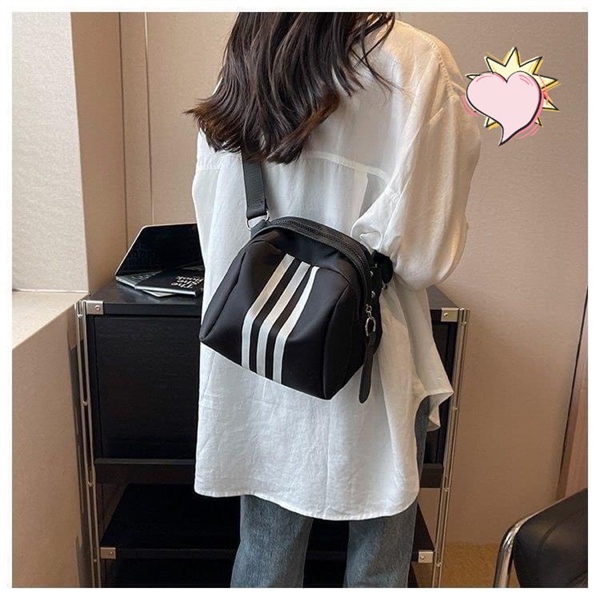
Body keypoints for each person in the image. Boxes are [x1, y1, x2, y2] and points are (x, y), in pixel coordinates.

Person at [185, 13, 481, 587]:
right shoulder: (417, 62)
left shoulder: (253, 49)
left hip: (262, 350)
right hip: (371, 353)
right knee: (379, 560)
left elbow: (215, 223)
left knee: (265, 551)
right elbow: (425, 255)